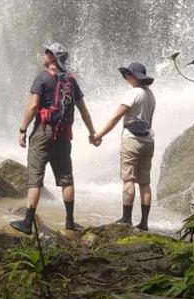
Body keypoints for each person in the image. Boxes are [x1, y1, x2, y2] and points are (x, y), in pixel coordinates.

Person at [10, 43, 98, 234]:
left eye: (47, 52)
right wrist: (92, 132)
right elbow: (83, 109)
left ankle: (27, 222)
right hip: (64, 135)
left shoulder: (42, 77)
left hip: (44, 131)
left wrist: (23, 129)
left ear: (53, 57)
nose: (44, 54)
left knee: (35, 177)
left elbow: (33, 107)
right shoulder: (71, 80)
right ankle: (69, 222)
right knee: (66, 178)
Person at [91, 61, 156, 230]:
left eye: (128, 75)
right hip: (148, 140)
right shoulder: (151, 95)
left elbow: (115, 117)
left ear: (133, 76)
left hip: (132, 139)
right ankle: (144, 223)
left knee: (129, 179)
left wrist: (99, 135)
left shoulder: (132, 94)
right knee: (144, 182)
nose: (126, 78)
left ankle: (126, 219)